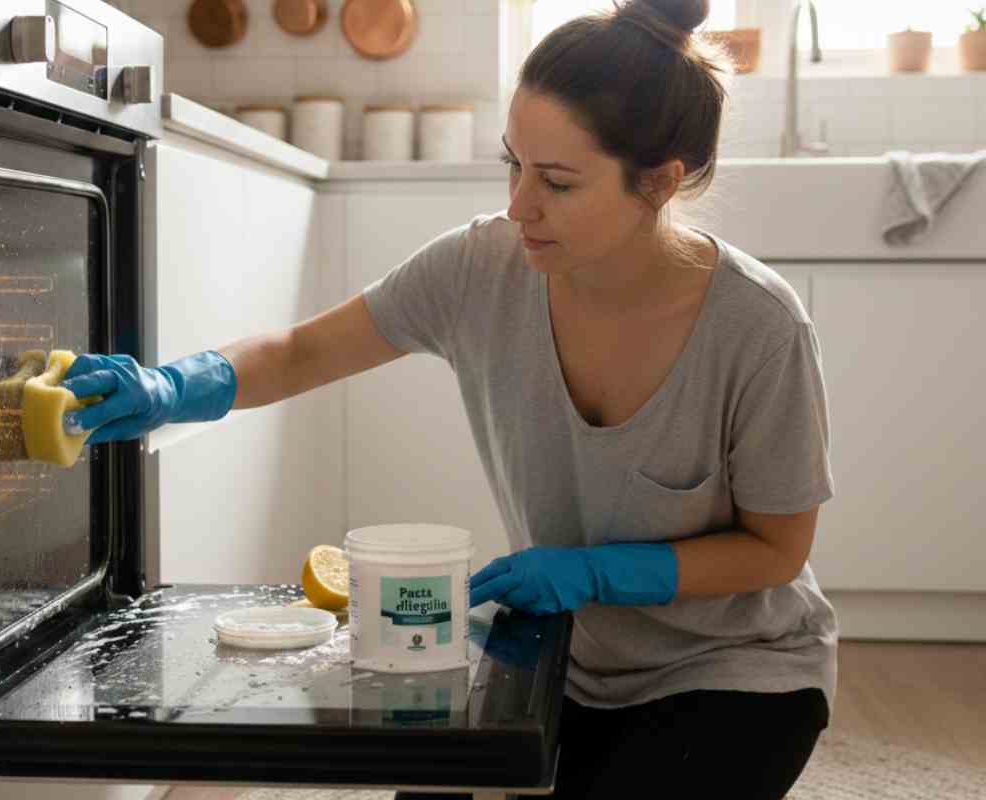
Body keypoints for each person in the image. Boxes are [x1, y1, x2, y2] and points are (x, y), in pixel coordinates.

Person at [60, 0, 837, 796]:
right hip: (559, 659)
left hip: (735, 672)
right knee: (427, 779)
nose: (518, 205)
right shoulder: (481, 268)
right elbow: (302, 351)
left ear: (661, 182)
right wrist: (171, 386)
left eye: (558, 182)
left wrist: (598, 572)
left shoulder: (758, 326)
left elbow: (777, 550)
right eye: (515, 165)